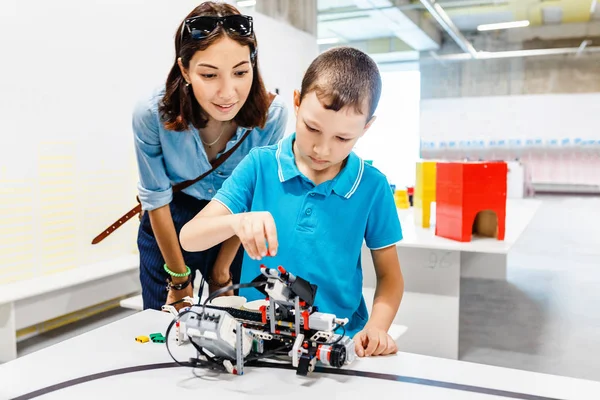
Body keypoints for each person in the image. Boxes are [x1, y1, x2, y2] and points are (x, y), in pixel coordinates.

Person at [179, 47, 404, 357]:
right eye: (313, 128)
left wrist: (377, 327)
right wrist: (237, 221)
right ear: (297, 103)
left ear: (366, 128)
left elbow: (390, 277)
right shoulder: (260, 166)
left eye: (342, 138)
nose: (323, 149)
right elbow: (190, 238)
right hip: (258, 339)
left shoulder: (372, 186)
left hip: (337, 344)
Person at [133, 1, 288, 311]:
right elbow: (156, 199)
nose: (228, 92)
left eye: (241, 72)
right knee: (163, 327)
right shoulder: (151, 115)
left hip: (233, 221)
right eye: (209, 75)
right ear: (185, 71)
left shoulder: (271, 116)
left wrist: (221, 271)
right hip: (170, 221)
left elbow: (251, 196)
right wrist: (179, 279)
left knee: (236, 330)